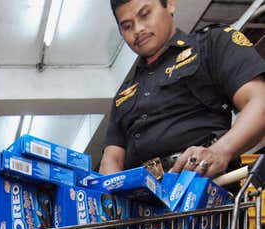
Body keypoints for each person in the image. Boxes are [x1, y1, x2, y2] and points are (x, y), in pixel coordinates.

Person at [100, 0, 265, 178]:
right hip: (144, 198)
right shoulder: (124, 94)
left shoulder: (211, 44)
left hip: (204, 183)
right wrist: (111, 196)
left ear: (170, 4)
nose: (138, 29)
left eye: (145, 14)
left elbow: (259, 101)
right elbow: (112, 159)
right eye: (127, 26)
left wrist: (220, 151)